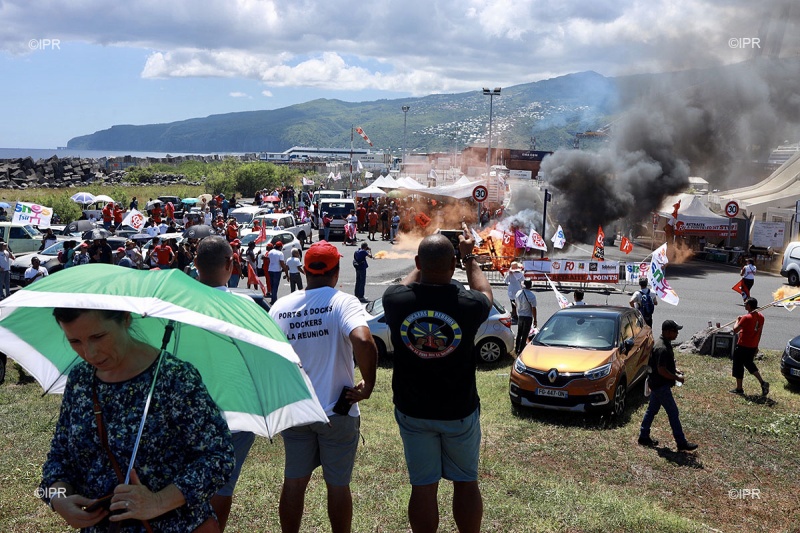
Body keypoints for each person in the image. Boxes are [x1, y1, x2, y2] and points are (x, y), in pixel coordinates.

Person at [40, 307, 234, 532]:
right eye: (74, 341)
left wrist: (159, 501)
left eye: (98, 337)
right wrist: (56, 498)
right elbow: (59, 456)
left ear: (125, 318)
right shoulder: (80, 379)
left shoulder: (175, 378)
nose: (89, 353)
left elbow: (219, 457)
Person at [382, 225, 492, 533]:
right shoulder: (469, 305)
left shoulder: (395, 301)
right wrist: (469, 257)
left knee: (423, 486)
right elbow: (486, 293)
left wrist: (424, 264)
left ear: (418, 263)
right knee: (466, 481)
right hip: (459, 410)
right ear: (453, 264)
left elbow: (404, 285)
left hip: (413, 410)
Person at [268, 240, 377, 533]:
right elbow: (363, 340)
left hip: (296, 410)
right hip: (337, 411)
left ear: (304, 270)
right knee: (338, 485)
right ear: (337, 270)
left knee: (294, 482)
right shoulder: (343, 302)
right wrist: (368, 385)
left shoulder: (280, 307)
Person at [194, 236, 257, 531]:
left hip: (187, 412)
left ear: (195, 264)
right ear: (231, 264)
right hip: (236, 413)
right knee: (223, 485)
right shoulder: (245, 307)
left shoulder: (174, 304)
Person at [638, 320, 698, 451]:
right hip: (660, 385)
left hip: (656, 384)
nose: (677, 334)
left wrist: (674, 370)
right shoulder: (662, 348)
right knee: (673, 412)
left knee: (652, 410)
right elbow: (661, 370)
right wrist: (677, 378)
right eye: (675, 331)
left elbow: (663, 364)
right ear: (667, 332)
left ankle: (643, 435)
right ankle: (681, 442)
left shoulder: (664, 343)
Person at [730, 297, 769, 396]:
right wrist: (756, 346)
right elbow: (759, 332)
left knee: (738, 366)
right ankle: (762, 383)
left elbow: (735, 330)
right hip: (752, 346)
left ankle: (739, 388)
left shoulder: (746, 318)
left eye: (746, 304)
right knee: (749, 364)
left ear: (749, 306)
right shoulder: (761, 317)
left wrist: (737, 320)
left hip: (743, 345)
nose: (744, 305)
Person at [515, 279, 537, 355]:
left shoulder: (518, 293)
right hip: (528, 317)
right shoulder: (532, 295)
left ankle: (516, 349)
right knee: (525, 335)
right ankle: (521, 350)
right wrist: (535, 320)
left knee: (519, 334)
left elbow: (516, 304)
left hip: (520, 316)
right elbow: (533, 308)